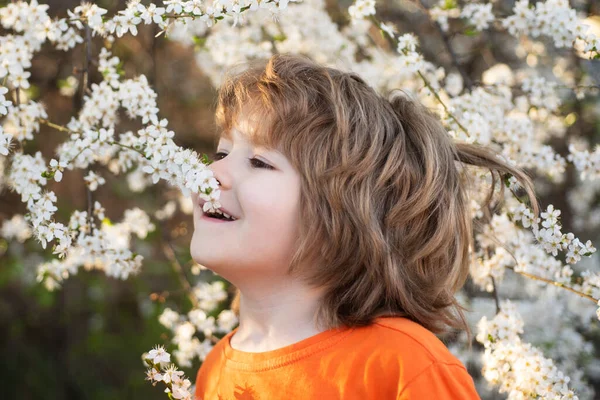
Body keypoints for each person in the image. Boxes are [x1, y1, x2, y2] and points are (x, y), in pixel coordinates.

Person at [190, 53, 539, 399]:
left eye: (259, 162)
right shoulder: (215, 371)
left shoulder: (403, 366)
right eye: (221, 154)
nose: (212, 173)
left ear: (342, 213)